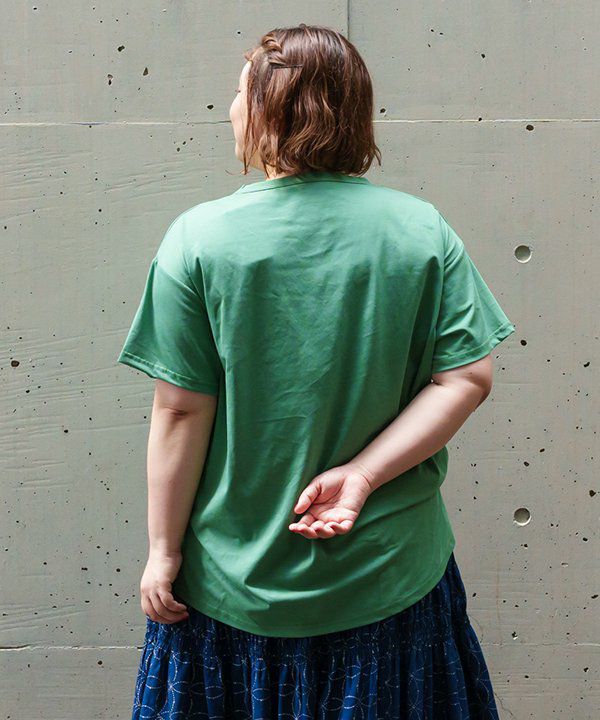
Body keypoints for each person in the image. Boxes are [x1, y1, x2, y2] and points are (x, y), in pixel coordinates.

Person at [117, 23, 515, 720]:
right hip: (391, 576)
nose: (229, 109)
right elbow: (466, 379)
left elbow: (180, 410)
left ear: (270, 109)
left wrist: (162, 551)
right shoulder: (421, 231)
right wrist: (361, 475)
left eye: (239, 92)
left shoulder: (197, 241)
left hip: (232, 585)